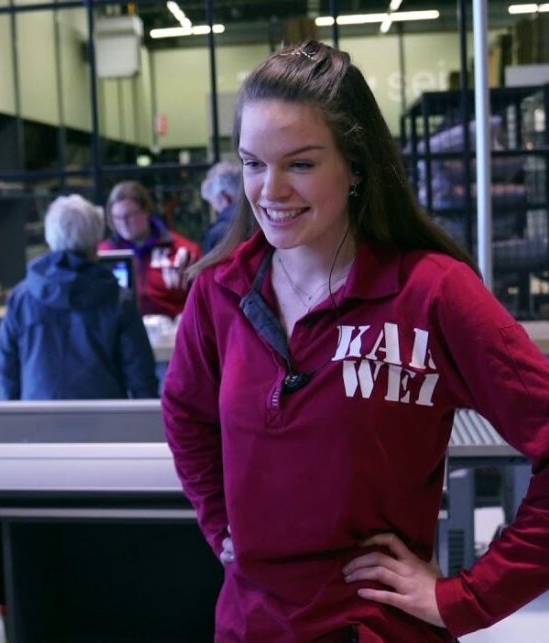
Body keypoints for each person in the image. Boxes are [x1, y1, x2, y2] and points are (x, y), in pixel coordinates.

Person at [162, 40, 549, 642]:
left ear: (356, 166)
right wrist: (223, 529)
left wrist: (466, 598)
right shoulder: (221, 291)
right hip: (249, 625)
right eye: (253, 163)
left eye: (302, 164)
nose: (270, 191)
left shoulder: (432, 293)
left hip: (373, 626)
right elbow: (185, 413)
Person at [0, 194, 158, 400]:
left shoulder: (22, 298)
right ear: (96, 238)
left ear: (50, 236)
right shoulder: (118, 300)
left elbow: (7, 367)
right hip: (105, 422)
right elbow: (141, 376)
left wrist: (18, 410)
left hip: (37, 420)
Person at [99, 180, 201, 318]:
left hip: (173, 333)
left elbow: (203, 299)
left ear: (146, 211)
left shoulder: (183, 251)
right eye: (117, 218)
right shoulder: (104, 254)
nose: (124, 223)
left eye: (129, 216)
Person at [200, 160, 241, 253]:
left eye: (214, 203)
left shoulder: (216, 234)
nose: (216, 209)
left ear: (225, 197)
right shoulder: (261, 222)